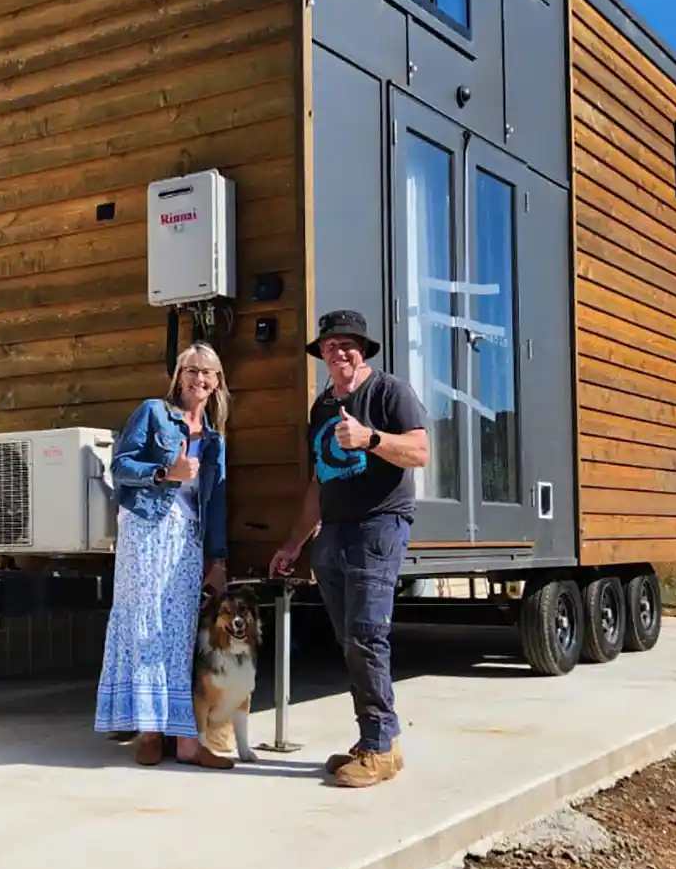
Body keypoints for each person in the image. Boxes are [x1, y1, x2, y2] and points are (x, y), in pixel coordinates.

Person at [269, 309, 429, 788]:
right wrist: (295, 542)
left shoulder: (389, 391)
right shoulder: (322, 408)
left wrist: (370, 438)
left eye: (348, 344)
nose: (339, 352)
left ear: (363, 350)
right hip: (334, 530)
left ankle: (378, 746)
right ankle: (379, 741)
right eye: (330, 345)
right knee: (350, 640)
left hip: (379, 525)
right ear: (321, 353)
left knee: (366, 635)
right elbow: (319, 482)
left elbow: (420, 452)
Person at [94, 341, 233, 769]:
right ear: (179, 376)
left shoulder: (214, 439)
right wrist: (164, 472)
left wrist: (217, 560)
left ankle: (186, 742)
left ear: (217, 382)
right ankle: (150, 732)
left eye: (207, 372)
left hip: (186, 537)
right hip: (145, 528)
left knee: (178, 633)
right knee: (144, 624)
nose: (199, 378)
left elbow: (216, 503)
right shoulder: (153, 412)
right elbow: (120, 467)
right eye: (191, 370)